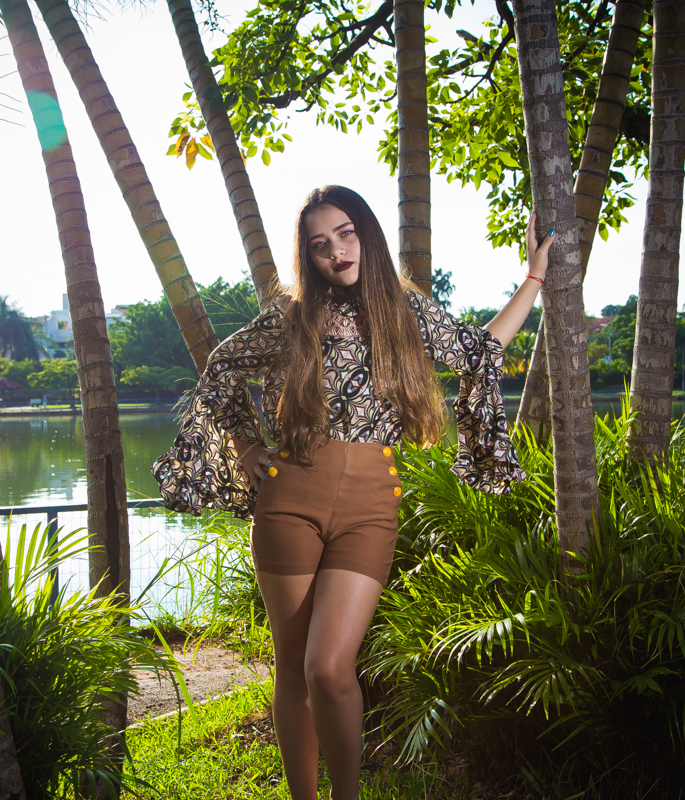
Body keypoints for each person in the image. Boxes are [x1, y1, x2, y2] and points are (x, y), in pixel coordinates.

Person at [152, 185, 551, 800]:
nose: (336, 251)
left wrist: (532, 280)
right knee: (293, 669)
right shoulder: (292, 316)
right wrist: (247, 448)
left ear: (365, 231)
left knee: (330, 668)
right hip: (289, 500)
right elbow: (223, 370)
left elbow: (480, 350)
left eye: (345, 233)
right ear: (307, 258)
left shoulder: (406, 312)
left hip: (370, 508)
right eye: (319, 244)